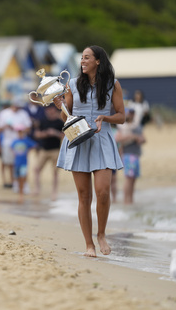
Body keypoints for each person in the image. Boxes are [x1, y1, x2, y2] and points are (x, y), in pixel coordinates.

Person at [54, 45, 125, 257]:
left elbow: (122, 116)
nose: (83, 61)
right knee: (84, 196)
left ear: (98, 61)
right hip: (78, 139)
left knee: (103, 192)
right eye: (82, 58)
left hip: (102, 139)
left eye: (87, 58)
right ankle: (89, 244)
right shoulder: (73, 85)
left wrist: (106, 117)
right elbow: (65, 118)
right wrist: (61, 109)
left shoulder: (113, 85)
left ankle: (101, 234)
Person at [0, 97, 32, 189]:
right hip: (8, 142)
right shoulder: (4, 113)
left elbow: (28, 127)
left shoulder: (23, 114)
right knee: (10, 163)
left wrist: (18, 128)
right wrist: (6, 126)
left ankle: (23, 183)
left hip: (20, 143)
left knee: (22, 164)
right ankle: (14, 182)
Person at [33, 104, 64, 200]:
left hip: (55, 150)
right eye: (48, 110)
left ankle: (54, 192)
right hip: (44, 149)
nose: (49, 111)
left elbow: (64, 136)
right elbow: (36, 134)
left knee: (55, 172)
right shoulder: (42, 121)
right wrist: (46, 134)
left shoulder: (59, 122)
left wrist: (55, 133)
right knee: (37, 169)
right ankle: (37, 188)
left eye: (51, 109)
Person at [115, 108, 146, 205]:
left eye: (133, 113)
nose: (131, 115)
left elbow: (144, 139)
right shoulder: (122, 127)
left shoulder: (137, 126)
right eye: (129, 113)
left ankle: (130, 200)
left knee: (133, 178)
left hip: (136, 154)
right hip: (128, 154)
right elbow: (118, 139)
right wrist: (133, 137)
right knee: (129, 178)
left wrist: (138, 138)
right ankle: (126, 200)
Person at [10, 124, 37, 204]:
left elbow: (34, 145)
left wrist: (28, 150)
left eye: (21, 132)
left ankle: (21, 193)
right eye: (19, 132)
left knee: (22, 176)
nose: (20, 133)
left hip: (23, 163)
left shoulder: (26, 140)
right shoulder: (15, 141)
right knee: (18, 177)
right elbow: (11, 147)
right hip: (17, 163)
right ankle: (19, 190)